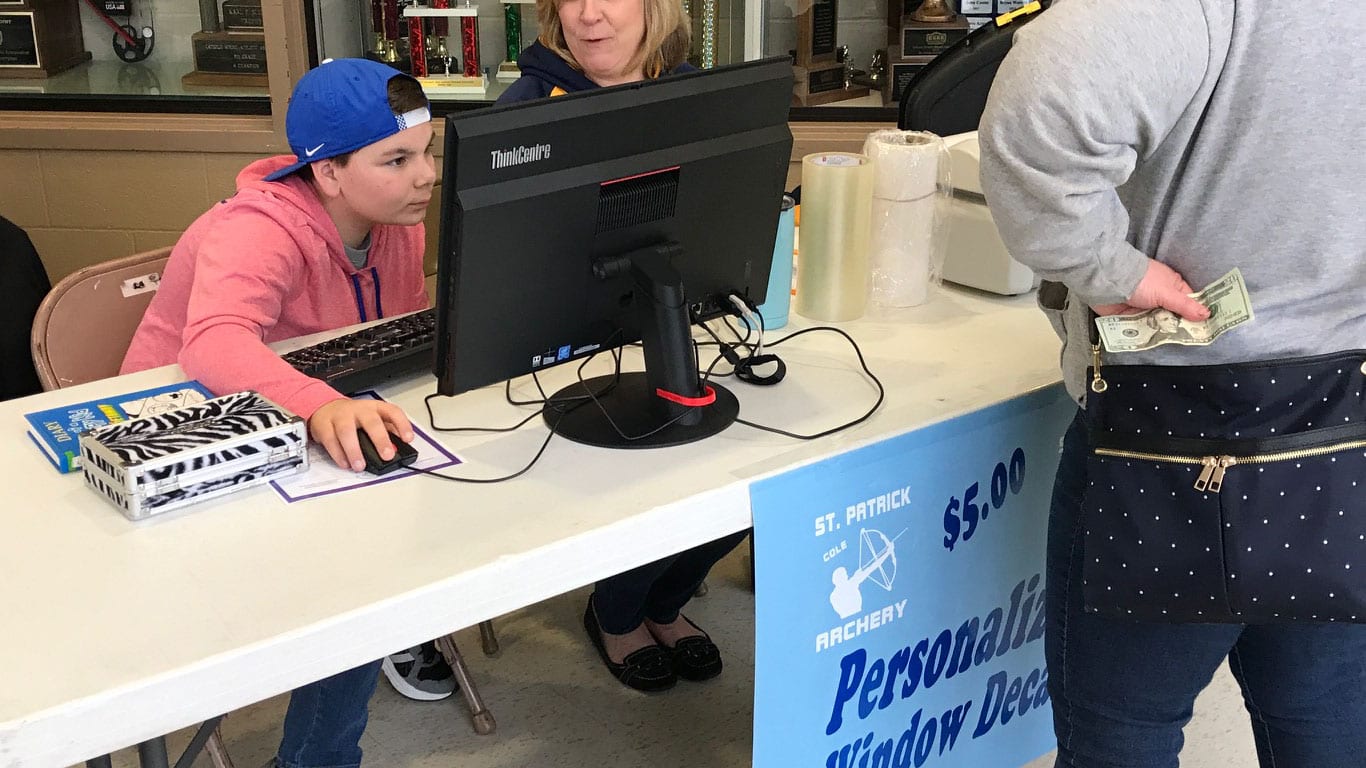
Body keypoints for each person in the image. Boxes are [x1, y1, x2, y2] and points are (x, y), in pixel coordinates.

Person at [979, 2, 1366, 767]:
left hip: (1173, 434)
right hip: (1345, 424)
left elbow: (1040, 113)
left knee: (1122, 731)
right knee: (1326, 717)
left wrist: (1112, 273)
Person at [120, 58, 452, 767]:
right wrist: (318, 404)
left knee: (408, 527)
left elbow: (391, 328)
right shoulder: (257, 229)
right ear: (328, 172)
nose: (426, 175)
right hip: (188, 434)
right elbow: (213, 341)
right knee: (358, 584)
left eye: (428, 152)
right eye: (397, 159)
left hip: (302, 420)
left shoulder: (396, 219)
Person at [498, 0, 747, 692]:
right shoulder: (523, 110)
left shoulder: (696, 93)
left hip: (683, 327)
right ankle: (616, 614)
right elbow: (504, 269)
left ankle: (663, 605)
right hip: (570, 356)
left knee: (759, 471)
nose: (587, 14)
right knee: (650, 472)